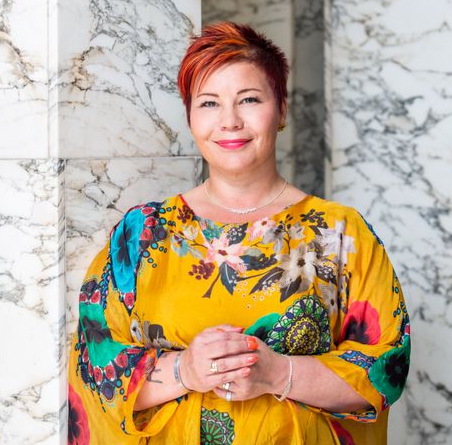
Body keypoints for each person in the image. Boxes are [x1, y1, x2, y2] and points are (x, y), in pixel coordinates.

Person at [66, 22, 410, 445]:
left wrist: (276, 373)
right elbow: (94, 365)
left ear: (281, 110)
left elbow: (386, 368)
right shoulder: (142, 234)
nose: (229, 121)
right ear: (190, 117)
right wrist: (185, 371)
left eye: (249, 99)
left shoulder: (340, 233)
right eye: (209, 103)